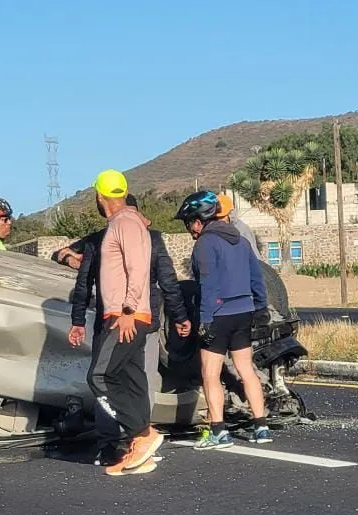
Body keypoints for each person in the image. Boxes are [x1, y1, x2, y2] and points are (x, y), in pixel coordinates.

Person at [66, 194, 191, 466]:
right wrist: (179, 315)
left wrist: (79, 319)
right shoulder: (148, 236)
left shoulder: (106, 235)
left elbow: (84, 282)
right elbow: (168, 281)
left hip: (121, 318)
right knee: (136, 381)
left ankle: (125, 441)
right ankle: (135, 442)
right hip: (144, 320)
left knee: (104, 377)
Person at [73, 170, 164, 475]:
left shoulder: (125, 222)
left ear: (100, 197)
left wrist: (126, 309)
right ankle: (141, 453)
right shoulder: (124, 223)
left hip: (126, 316)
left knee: (99, 377)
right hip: (129, 314)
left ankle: (142, 434)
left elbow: (137, 268)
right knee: (131, 377)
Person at [175, 190, 273, 447]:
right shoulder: (240, 241)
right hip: (244, 312)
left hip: (218, 315)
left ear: (199, 220)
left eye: (189, 223)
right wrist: (261, 307)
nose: (189, 230)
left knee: (210, 372)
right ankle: (261, 426)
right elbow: (256, 277)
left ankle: (219, 430)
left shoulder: (204, 244)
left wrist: (205, 321)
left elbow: (209, 285)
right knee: (246, 370)